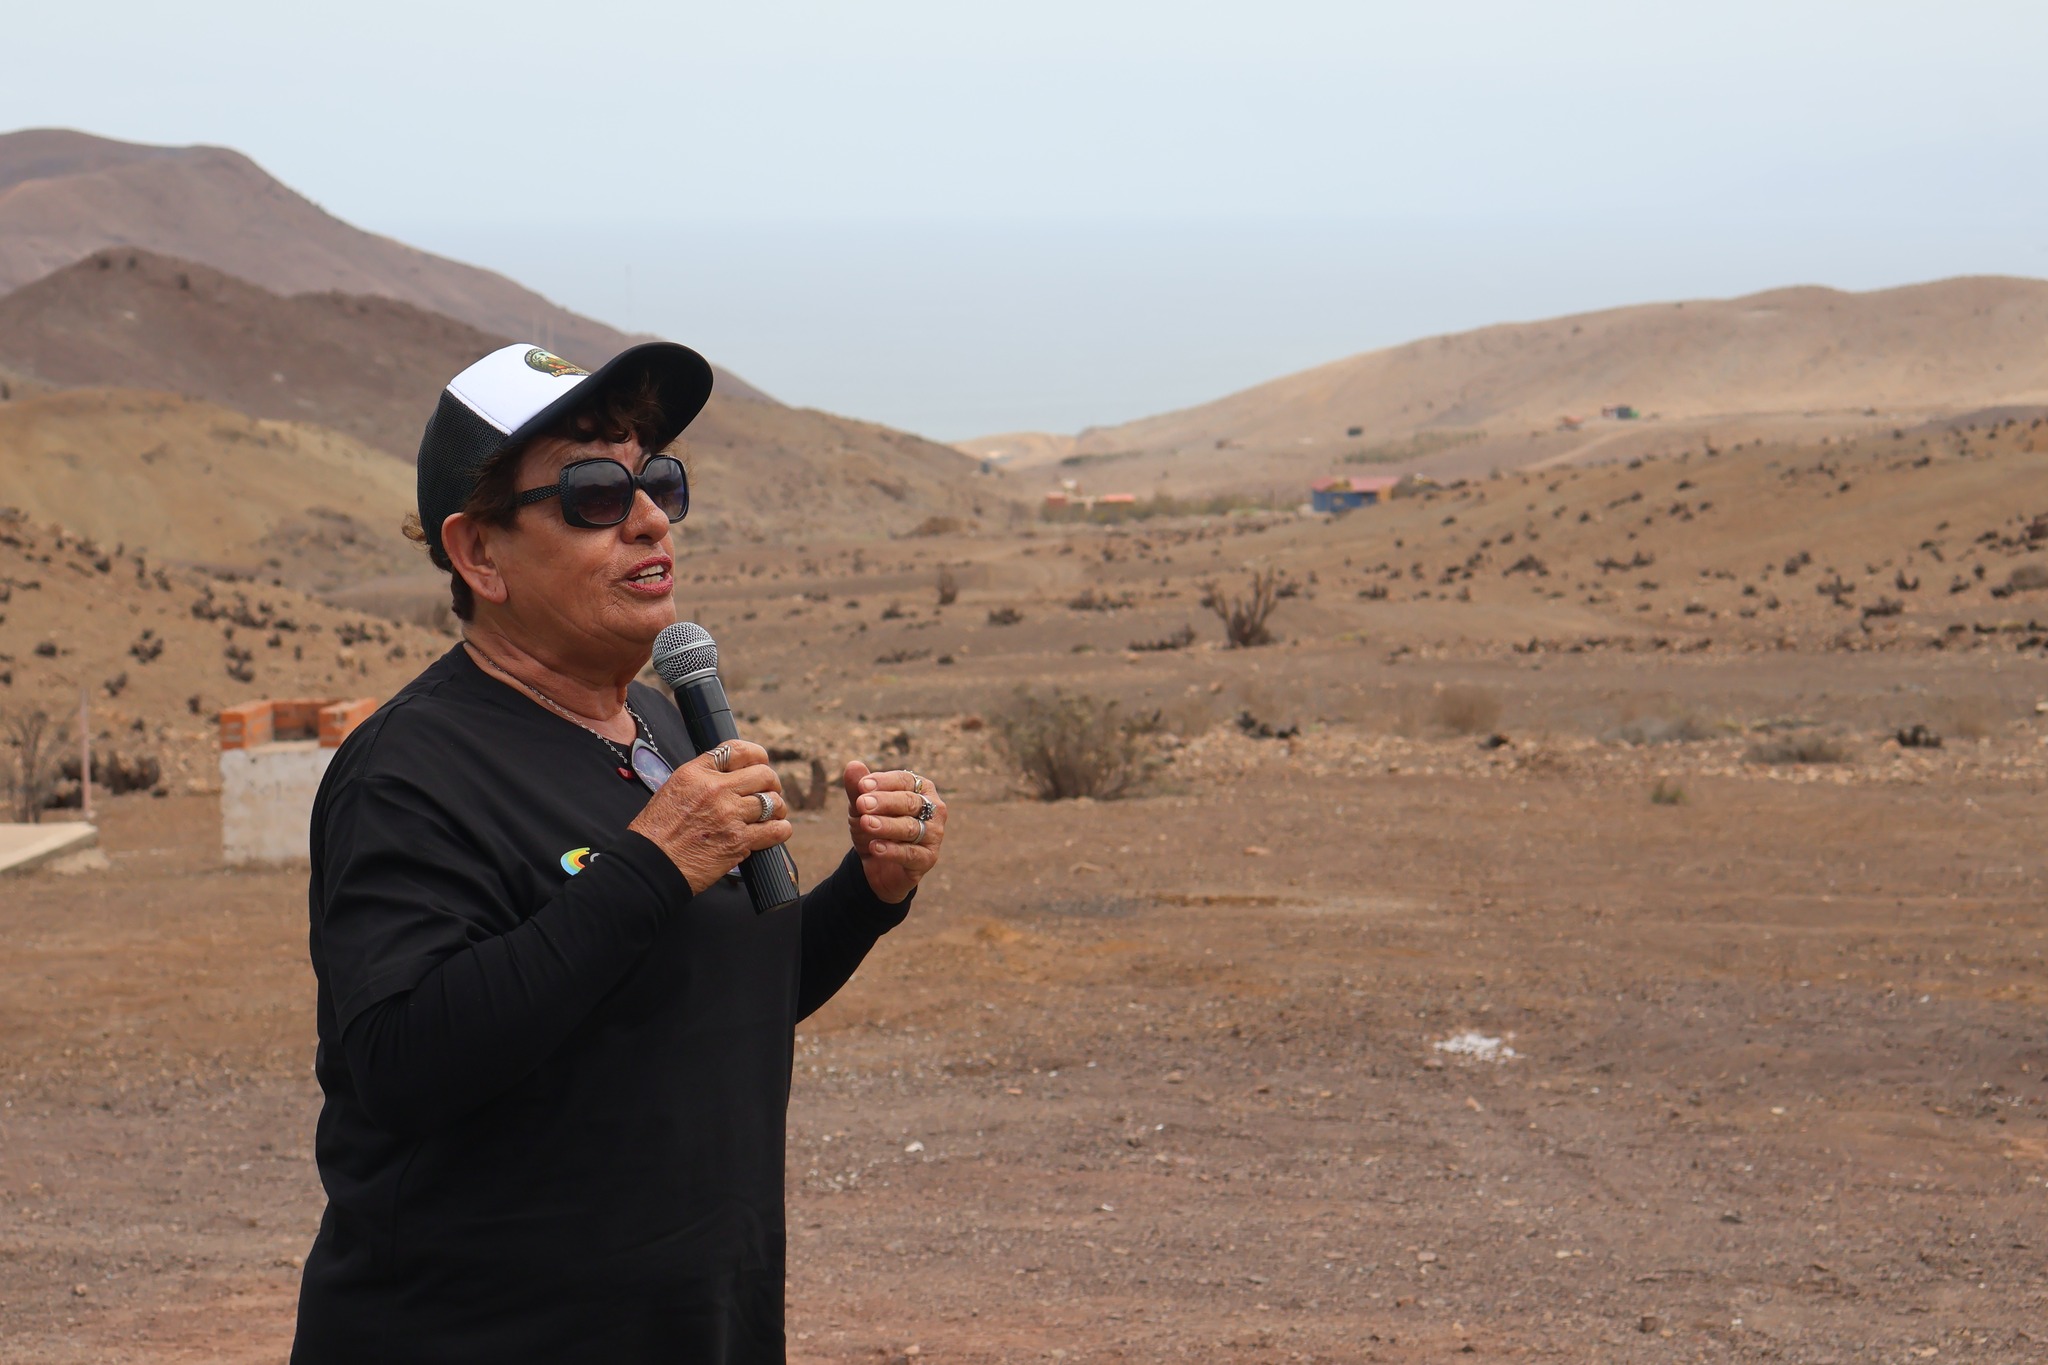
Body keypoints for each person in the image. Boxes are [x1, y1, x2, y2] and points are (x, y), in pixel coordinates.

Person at [290, 342, 948, 1363]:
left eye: (658, 483)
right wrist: (649, 866)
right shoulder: (409, 769)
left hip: (700, 1323)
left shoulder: (667, 722)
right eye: (594, 493)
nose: (648, 519)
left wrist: (868, 891)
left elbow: (719, 995)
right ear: (480, 554)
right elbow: (404, 1063)